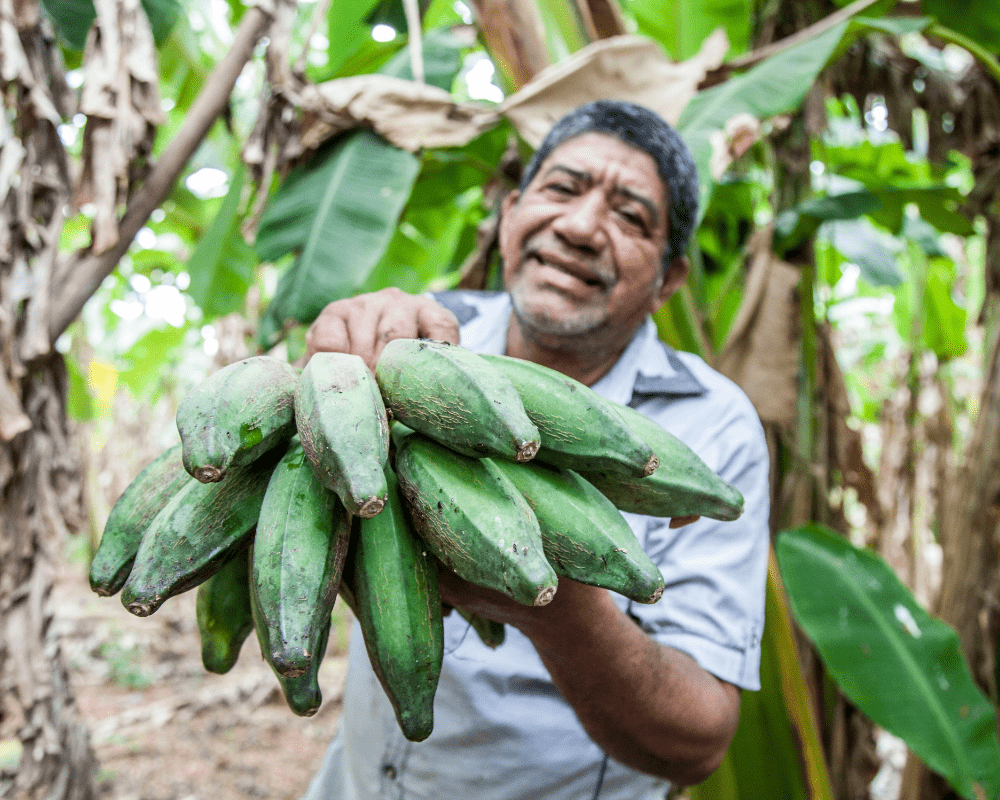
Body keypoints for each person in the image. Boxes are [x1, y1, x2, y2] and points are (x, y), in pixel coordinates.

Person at [301, 100, 770, 800]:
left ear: (669, 279)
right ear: (512, 213)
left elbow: (698, 741)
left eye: (631, 217)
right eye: (562, 189)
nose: (581, 227)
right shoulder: (422, 338)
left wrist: (554, 610)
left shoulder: (711, 427)